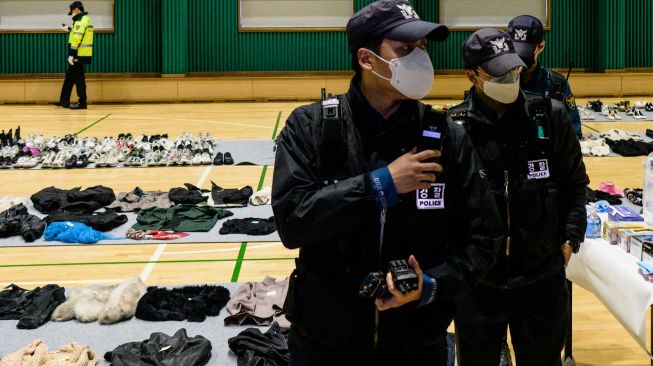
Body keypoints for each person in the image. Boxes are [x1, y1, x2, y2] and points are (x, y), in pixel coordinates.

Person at [271, 1, 503, 365]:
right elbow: (293, 222)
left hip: (417, 343)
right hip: (324, 341)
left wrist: (432, 285)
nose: (421, 59)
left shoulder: (446, 137)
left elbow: (483, 240)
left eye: (423, 48)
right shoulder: (310, 128)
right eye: (406, 48)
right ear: (367, 59)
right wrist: (382, 184)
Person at [449, 28, 589, 366]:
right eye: (498, 73)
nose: (510, 78)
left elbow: (575, 183)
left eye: (513, 69)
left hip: (541, 276)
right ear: (472, 75)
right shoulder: (454, 129)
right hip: (480, 284)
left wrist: (570, 239)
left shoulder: (549, 116)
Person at [507, 15, 582, 137]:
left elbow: (574, 133)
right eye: (514, 51)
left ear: (541, 47)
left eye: (524, 52)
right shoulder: (497, 82)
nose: (518, 58)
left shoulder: (556, 84)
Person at [52, 1, 93, 110]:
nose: (72, 15)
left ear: (76, 10)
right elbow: (78, 34)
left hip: (77, 55)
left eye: (72, 12)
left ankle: (82, 102)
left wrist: (71, 55)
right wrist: (70, 29)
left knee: (79, 79)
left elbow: (77, 39)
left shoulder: (80, 21)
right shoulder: (86, 19)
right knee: (69, 78)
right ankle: (64, 100)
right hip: (81, 54)